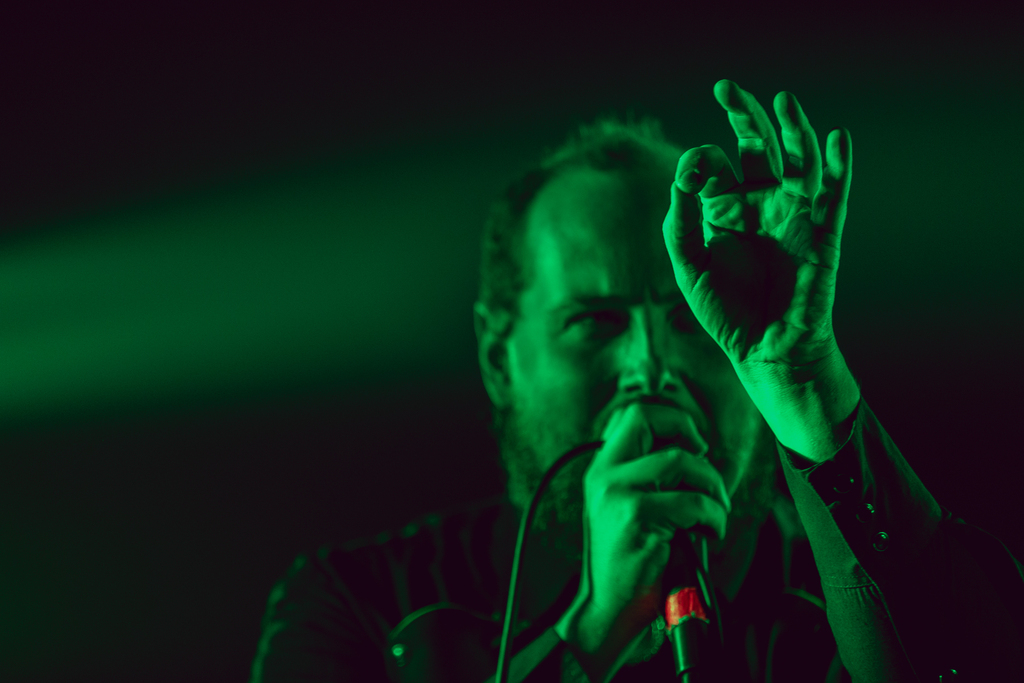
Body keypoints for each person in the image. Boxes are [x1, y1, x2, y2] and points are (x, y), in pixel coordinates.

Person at [249, 81, 1024, 682]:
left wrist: (803, 378)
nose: (651, 368)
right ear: (497, 356)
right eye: (593, 322)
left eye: (691, 314)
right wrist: (592, 633)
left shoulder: (830, 589)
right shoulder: (357, 601)